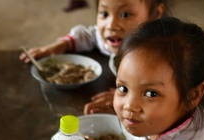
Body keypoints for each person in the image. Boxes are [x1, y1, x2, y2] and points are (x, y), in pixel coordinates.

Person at [19, 0, 166, 114]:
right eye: (104, 14)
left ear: (156, 14)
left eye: (125, 15)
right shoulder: (115, 38)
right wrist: (62, 45)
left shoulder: (159, 57)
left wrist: (127, 98)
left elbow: (165, 97)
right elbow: (90, 35)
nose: (111, 25)